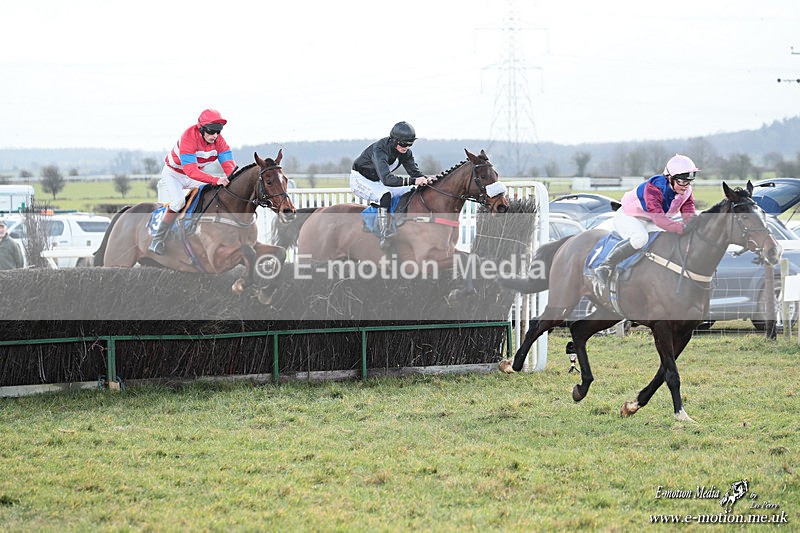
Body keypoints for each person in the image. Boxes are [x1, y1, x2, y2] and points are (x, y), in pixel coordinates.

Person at [594, 153, 700, 285]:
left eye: (688, 182)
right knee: (640, 239)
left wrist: (691, 222)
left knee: (667, 239)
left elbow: (688, 208)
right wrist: (680, 227)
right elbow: (659, 219)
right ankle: (605, 266)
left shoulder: (686, 190)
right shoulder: (654, 188)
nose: (686, 186)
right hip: (628, 216)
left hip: (649, 220)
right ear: (669, 178)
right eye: (682, 181)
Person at [149, 109, 238, 255]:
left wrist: (233, 181)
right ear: (201, 128)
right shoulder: (189, 136)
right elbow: (191, 170)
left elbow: (229, 165)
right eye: (211, 131)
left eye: (218, 131)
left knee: (212, 194)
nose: (215, 135)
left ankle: (197, 231)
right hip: (174, 174)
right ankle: (157, 239)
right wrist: (216, 180)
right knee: (178, 202)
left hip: (192, 175)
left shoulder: (219, 141)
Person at [350, 121, 433, 249]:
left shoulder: (406, 153)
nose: (406, 147)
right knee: (385, 196)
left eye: (410, 144)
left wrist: (427, 180)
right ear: (394, 140)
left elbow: (415, 173)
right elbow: (387, 180)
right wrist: (413, 180)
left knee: (411, 190)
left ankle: (400, 222)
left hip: (378, 180)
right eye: (403, 143)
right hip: (360, 179)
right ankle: (384, 234)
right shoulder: (380, 150)